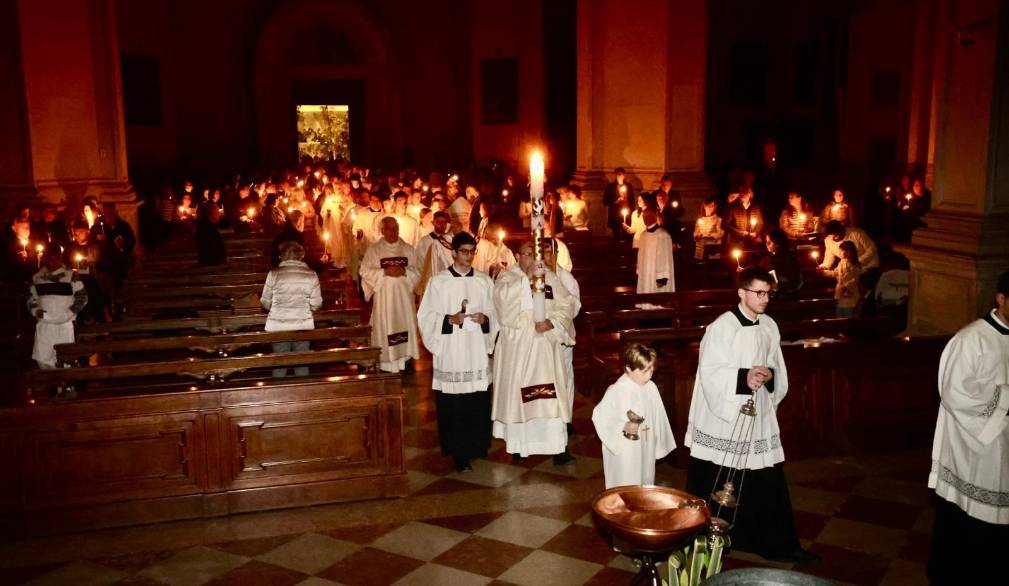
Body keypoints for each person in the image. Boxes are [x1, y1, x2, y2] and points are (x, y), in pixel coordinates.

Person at [684, 267, 817, 564]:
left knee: (766, 478)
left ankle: (777, 544)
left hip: (757, 416)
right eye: (758, 292)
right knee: (718, 478)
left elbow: (776, 365)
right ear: (741, 293)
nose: (764, 299)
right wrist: (744, 377)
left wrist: (767, 376)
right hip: (725, 417)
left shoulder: (769, 325)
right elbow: (710, 372)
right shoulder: (722, 328)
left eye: (768, 293)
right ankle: (710, 542)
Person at [926, 270, 1009, 584]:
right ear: (1000, 299)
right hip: (978, 445)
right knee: (972, 518)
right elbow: (954, 393)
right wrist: (1005, 398)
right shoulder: (970, 339)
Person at [417, 232, 498, 471]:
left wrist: (485, 319)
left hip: (475, 350)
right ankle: (458, 451)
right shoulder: (439, 282)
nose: (469, 256)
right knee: (455, 402)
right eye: (464, 251)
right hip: (451, 351)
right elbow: (425, 316)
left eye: (472, 252)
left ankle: (478, 445)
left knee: (477, 399)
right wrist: (448, 319)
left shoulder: (484, 281)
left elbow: (496, 315)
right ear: (453, 252)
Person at [492, 240, 578, 464]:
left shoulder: (549, 277)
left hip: (545, 350)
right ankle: (520, 447)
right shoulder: (507, 278)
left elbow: (568, 303)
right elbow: (502, 307)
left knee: (551, 397)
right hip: (519, 349)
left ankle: (558, 448)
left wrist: (552, 322)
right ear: (518, 256)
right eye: (527, 254)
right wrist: (526, 280)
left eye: (534, 253)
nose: (531, 258)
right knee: (521, 399)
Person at [592, 343, 676, 488]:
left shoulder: (651, 387)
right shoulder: (617, 390)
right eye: (643, 371)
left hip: (646, 446)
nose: (649, 375)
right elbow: (599, 416)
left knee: (645, 479)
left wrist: (659, 443)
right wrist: (623, 425)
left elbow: (658, 415)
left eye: (651, 369)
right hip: (625, 451)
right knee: (626, 483)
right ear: (629, 369)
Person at [361, 217, 421, 373]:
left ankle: (405, 359)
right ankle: (386, 362)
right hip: (384, 300)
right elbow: (364, 271)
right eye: (389, 228)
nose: (393, 231)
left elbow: (418, 272)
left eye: (395, 228)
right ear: (382, 231)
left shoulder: (408, 249)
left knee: (404, 324)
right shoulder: (374, 250)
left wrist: (405, 271)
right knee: (386, 326)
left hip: (404, 300)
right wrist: (384, 272)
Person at [261, 241, 323, 378]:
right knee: (302, 364)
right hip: (302, 325)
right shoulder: (311, 275)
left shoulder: (273, 274)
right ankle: (303, 395)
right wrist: (307, 308)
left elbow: (265, 302)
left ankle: (279, 396)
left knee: (279, 363)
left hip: (278, 325)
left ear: (282, 256)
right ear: (301, 256)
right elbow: (317, 303)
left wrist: (277, 308)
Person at [28, 249, 87, 369]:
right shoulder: (37, 277)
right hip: (45, 325)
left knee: (67, 361)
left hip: (65, 324)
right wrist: (37, 311)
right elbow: (31, 299)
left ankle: (66, 386)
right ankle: (51, 385)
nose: (53, 260)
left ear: (60, 258)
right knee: (44, 361)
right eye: (50, 257)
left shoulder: (71, 275)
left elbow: (82, 297)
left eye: (56, 257)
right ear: (45, 258)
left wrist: (69, 313)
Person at [415, 211, 455, 298]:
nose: (441, 225)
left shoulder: (450, 241)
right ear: (433, 223)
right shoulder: (424, 241)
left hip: (446, 281)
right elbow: (419, 263)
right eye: (438, 222)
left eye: (444, 222)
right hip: (430, 280)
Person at [636, 207, 675, 294]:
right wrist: (639, 270)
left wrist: (662, 277)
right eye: (644, 216)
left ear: (655, 217)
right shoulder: (643, 235)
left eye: (649, 216)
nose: (646, 219)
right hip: (645, 273)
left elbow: (664, 257)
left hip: (657, 276)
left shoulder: (663, 235)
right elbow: (640, 255)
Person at [759, 229, 802, 301]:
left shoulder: (789, 258)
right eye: (766, 242)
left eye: (770, 242)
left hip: (787, 297)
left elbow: (796, 280)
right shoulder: (766, 259)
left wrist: (780, 280)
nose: (767, 244)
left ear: (778, 243)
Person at [823, 240, 862, 317]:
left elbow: (856, 278)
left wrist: (846, 286)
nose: (839, 253)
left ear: (848, 251)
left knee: (848, 316)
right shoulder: (841, 262)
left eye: (841, 251)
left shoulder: (854, 264)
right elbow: (835, 273)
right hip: (840, 295)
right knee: (840, 316)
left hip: (851, 296)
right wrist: (824, 272)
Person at [603, 167, 634, 240]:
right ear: (615, 175)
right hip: (615, 214)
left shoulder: (628, 186)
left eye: (621, 174)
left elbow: (632, 201)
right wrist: (615, 201)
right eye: (618, 174)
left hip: (627, 213)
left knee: (626, 233)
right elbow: (605, 201)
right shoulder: (611, 187)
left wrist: (632, 212)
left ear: (624, 175)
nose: (620, 176)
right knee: (616, 234)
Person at [195, 198, 226, 266]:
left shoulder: (208, 228)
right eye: (216, 212)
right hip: (211, 265)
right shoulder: (208, 230)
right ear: (211, 214)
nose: (219, 215)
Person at [693, 196, 725, 260]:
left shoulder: (718, 220)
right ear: (704, 206)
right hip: (700, 248)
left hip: (713, 248)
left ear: (714, 207)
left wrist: (710, 235)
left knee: (712, 264)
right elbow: (696, 232)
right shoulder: (700, 220)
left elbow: (720, 233)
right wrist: (697, 235)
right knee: (701, 266)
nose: (710, 208)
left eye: (712, 206)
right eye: (708, 206)